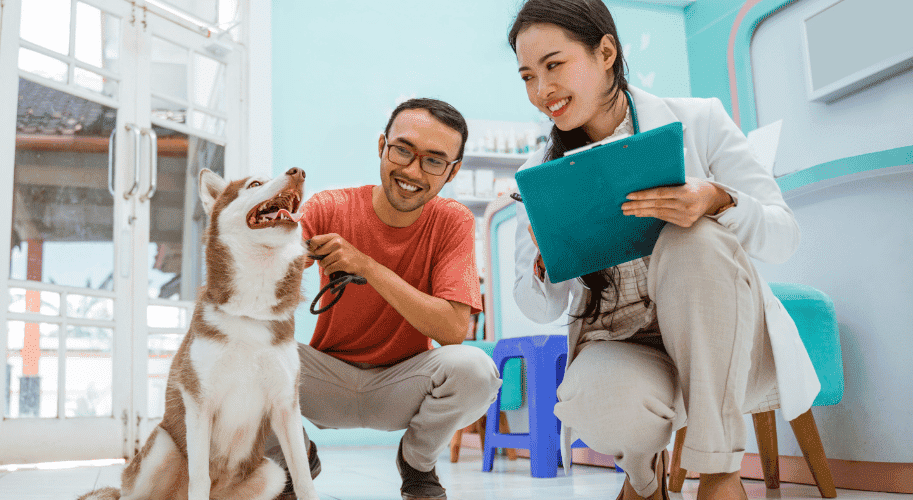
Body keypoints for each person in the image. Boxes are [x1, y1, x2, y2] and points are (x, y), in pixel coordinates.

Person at [506, 2, 820, 500]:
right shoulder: (540, 172)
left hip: (717, 329)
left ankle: (719, 474)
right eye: (527, 76)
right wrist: (545, 260)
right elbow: (536, 306)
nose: (541, 91)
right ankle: (643, 480)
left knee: (693, 236)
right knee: (592, 399)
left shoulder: (701, 120)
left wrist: (718, 198)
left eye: (554, 65)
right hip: (624, 342)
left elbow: (784, 236)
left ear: (605, 51)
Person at [269, 98, 502, 500]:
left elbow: (451, 331)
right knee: (241, 356)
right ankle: (294, 457)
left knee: (476, 370)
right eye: (403, 151)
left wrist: (368, 267)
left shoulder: (453, 221)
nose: (412, 171)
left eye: (433, 161)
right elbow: (271, 273)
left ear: (453, 171)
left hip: (403, 385)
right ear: (382, 146)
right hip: (324, 381)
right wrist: (273, 239)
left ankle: (416, 462)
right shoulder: (331, 206)